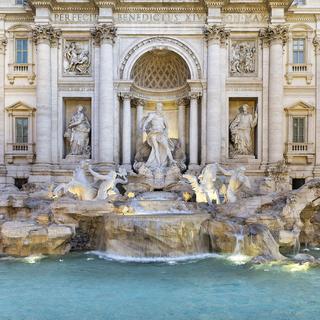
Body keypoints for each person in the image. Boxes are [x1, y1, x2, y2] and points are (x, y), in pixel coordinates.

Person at [141, 102, 176, 169]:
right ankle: (159, 164)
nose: (159, 108)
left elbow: (167, 126)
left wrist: (166, 132)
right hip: (153, 133)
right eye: (158, 107)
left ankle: (171, 160)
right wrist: (143, 127)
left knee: (166, 147)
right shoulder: (152, 115)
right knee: (155, 149)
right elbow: (147, 121)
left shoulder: (163, 116)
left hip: (160, 133)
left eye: (160, 107)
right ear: (156, 108)